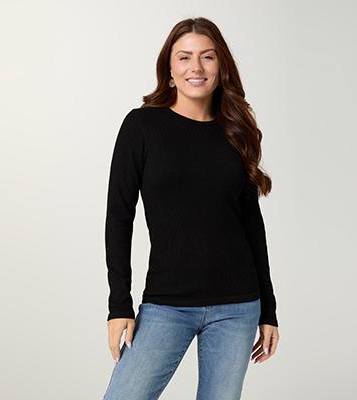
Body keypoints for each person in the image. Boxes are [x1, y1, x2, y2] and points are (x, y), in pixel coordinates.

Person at [102, 16, 280, 400]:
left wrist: (269, 309)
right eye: (184, 57)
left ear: (220, 66)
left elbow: (252, 225)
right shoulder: (141, 127)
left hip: (237, 307)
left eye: (207, 57)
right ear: (169, 69)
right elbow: (119, 217)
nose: (195, 67)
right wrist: (119, 306)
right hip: (167, 304)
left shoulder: (235, 130)